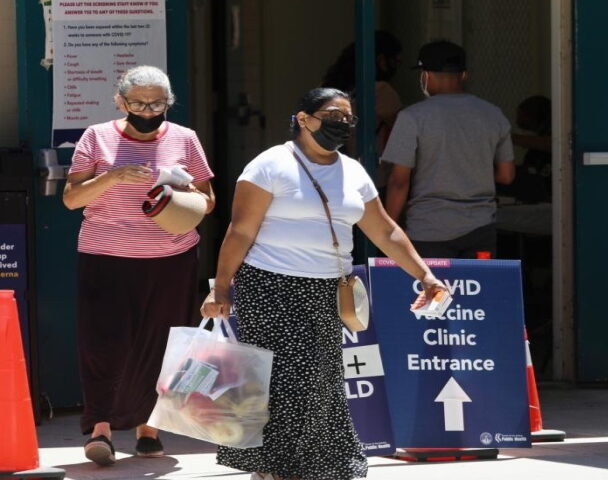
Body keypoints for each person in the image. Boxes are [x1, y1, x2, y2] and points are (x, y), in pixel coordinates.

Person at [201, 87, 446, 480]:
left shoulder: (352, 171)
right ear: (303, 119)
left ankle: (303, 466)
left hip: (327, 290)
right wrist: (221, 287)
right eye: (333, 116)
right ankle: (281, 468)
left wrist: (424, 275)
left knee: (322, 382)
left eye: (348, 118)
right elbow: (240, 231)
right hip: (271, 287)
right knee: (288, 382)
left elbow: (385, 231)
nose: (342, 125)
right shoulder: (269, 166)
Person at [62, 65, 215, 465]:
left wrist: (179, 197)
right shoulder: (96, 137)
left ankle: (150, 427)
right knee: (104, 344)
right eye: (138, 103)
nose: (148, 110)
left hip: (171, 258)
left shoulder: (185, 138)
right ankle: (101, 428)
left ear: (169, 102)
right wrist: (113, 177)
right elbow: (71, 198)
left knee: (162, 345)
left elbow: (209, 200)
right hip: (106, 256)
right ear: (121, 101)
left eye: (157, 103)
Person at [382, 40, 515, 259]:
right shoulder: (493, 114)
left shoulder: (413, 117)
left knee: (431, 293)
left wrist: (389, 232)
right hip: (481, 229)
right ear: (464, 75)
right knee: (477, 291)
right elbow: (507, 176)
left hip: (428, 230)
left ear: (425, 75)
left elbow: (398, 181)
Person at [321, 30, 403, 193]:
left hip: (332, 175)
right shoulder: (380, 90)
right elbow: (403, 134)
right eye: (395, 61)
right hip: (371, 177)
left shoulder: (328, 89)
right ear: (381, 60)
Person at [497, 95, 551, 203]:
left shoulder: (556, 143)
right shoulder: (533, 154)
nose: (523, 131)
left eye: (525, 126)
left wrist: (511, 138)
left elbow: (553, 144)